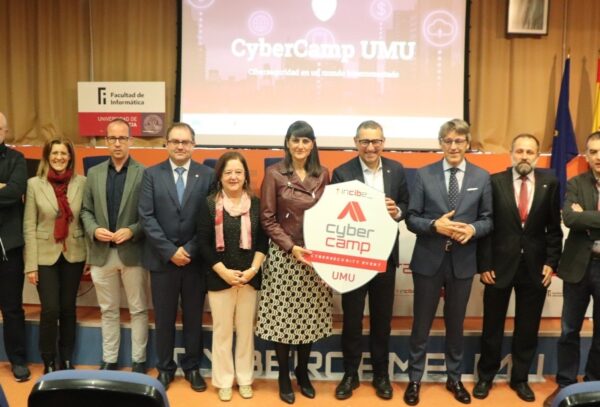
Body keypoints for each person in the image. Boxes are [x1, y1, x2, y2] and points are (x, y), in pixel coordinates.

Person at [404, 119, 493, 405]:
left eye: (459, 141)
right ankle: (414, 379)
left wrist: (473, 230)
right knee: (421, 325)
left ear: (468, 144)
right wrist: (434, 226)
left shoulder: (482, 177)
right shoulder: (423, 174)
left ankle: (454, 379)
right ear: (441, 143)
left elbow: (488, 219)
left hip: (462, 263)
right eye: (448, 141)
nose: (453, 146)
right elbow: (411, 218)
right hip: (428, 261)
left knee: (455, 325)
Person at [474, 134, 562, 403]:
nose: (524, 156)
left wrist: (551, 263)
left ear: (537, 155)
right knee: (492, 326)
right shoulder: (494, 182)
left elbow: (553, 229)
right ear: (511, 153)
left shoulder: (550, 182)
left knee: (527, 327)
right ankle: (486, 377)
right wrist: (484, 264)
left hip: (535, 268)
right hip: (498, 266)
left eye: (530, 152)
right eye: (520, 151)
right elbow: (485, 226)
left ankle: (520, 379)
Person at [330, 120, 409, 400]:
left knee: (381, 320)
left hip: (385, 257)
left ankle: (380, 374)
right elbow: (335, 212)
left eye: (376, 141)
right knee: (352, 320)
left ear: (383, 142)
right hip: (354, 258)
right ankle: (350, 374)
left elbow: (407, 205)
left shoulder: (396, 170)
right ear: (356, 143)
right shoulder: (342, 173)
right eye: (365, 141)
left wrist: (396, 211)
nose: (371, 147)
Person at [255, 120, 332, 404]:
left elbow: (330, 214)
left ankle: (302, 372)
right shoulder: (274, 173)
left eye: (305, 141)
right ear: (287, 143)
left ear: (313, 145)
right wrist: (291, 247)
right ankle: (284, 376)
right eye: (295, 140)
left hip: (314, 256)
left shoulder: (323, 174)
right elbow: (267, 218)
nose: (300, 146)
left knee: (308, 317)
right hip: (284, 255)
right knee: (283, 319)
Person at [138, 122, 214, 391]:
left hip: (195, 261)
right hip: (163, 261)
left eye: (185, 142)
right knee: (164, 319)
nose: (180, 146)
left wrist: (190, 249)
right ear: (166, 144)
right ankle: (165, 368)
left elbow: (210, 218)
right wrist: (170, 251)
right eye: (175, 141)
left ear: (193, 145)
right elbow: (146, 217)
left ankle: (192, 368)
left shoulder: (207, 175)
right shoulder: (151, 174)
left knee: (193, 318)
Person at [196, 151, 268, 401]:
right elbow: (203, 243)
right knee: (223, 332)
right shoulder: (209, 204)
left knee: (246, 331)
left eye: (238, 172)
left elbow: (263, 242)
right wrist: (224, 272)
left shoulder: (257, 204)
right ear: (220, 176)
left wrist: (252, 270)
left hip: (249, 277)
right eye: (228, 172)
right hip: (220, 277)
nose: (233, 177)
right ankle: (224, 380)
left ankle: (245, 378)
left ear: (246, 175)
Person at [81, 119, 149, 373]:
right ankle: (109, 359)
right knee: (108, 310)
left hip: (132, 251)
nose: (117, 143)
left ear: (131, 141)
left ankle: (139, 360)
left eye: (122, 138)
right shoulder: (94, 173)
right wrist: (93, 229)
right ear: (106, 141)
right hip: (102, 253)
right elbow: (86, 210)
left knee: (138, 309)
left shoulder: (144, 173)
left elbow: (149, 214)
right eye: (112, 138)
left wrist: (132, 230)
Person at [543, 131, 600, 407]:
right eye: (593, 152)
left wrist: (585, 217)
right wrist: (581, 218)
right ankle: (566, 385)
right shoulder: (576, 183)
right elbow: (569, 218)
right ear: (586, 155)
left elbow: (579, 218)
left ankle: (592, 384)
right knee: (569, 330)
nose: (598, 157)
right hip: (579, 266)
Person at [23, 137, 87, 373]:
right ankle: (49, 360)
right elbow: (29, 225)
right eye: (54, 153)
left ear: (70, 157)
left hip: (74, 253)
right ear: (47, 157)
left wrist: (90, 256)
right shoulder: (34, 184)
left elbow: (85, 219)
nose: (59, 157)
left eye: (63, 153)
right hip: (44, 255)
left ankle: (66, 358)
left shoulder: (82, 183)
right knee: (50, 309)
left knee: (68, 308)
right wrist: (31, 265)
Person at [0, 112, 30, 381]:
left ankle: (18, 360)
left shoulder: (16, 159)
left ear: (6, 132)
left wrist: (6, 189)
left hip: (8, 247)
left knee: (12, 308)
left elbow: (14, 192)